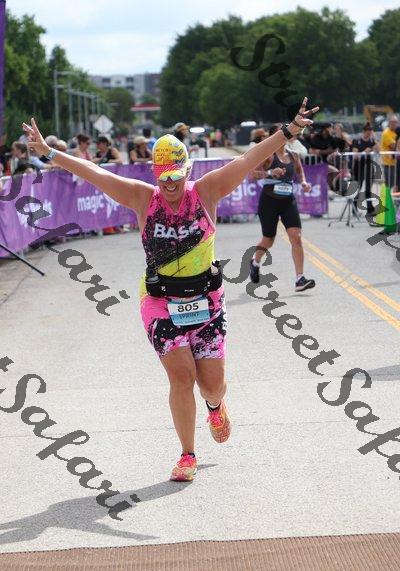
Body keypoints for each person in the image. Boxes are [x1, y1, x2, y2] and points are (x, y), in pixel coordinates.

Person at [23, 97, 318, 482]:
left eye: (177, 177)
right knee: (181, 377)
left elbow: (249, 159)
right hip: (160, 303)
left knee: (211, 385)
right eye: (165, 179)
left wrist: (289, 131)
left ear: (187, 170)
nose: (171, 185)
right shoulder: (142, 198)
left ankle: (215, 405)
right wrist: (49, 153)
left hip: (207, 301)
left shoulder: (207, 191)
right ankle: (187, 455)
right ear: (155, 174)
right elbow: (95, 172)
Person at [249, 124, 315, 292]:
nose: (286, 135)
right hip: (269, 201)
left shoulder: (293, 155)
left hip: (288, 201)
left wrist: (304, 183)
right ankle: (255, 261)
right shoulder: (267, 156)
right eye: (282, 133)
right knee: (268, 240)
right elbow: (252, 175)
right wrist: (270, 173)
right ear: (274, 137)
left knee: (296, 237)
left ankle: (300, 279)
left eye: (287, 133)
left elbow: (299, 172)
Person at [351, 123, 378, 215]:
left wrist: (374, 139)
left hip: (369, 166)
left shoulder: (371, 140)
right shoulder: (357, 141)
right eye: (367, 132)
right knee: (358, 187)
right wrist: (364, 152)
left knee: (368, 188)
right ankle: (354, 207)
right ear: (364, 132)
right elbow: (355, 156)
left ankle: (370, 208)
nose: (369, 134)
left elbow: (378, 149)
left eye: (370, 132)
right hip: (358, 167)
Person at [380, 115, 399, 189]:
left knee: (397, 185)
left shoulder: (397, 132)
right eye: (392, 122)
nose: (394, 124)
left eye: (396, 122)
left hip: (396, 163)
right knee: (390, 185)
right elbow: (394, 146)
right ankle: (388, 196)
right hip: (388, 163)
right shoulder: (386, 133)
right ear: (389, 123)